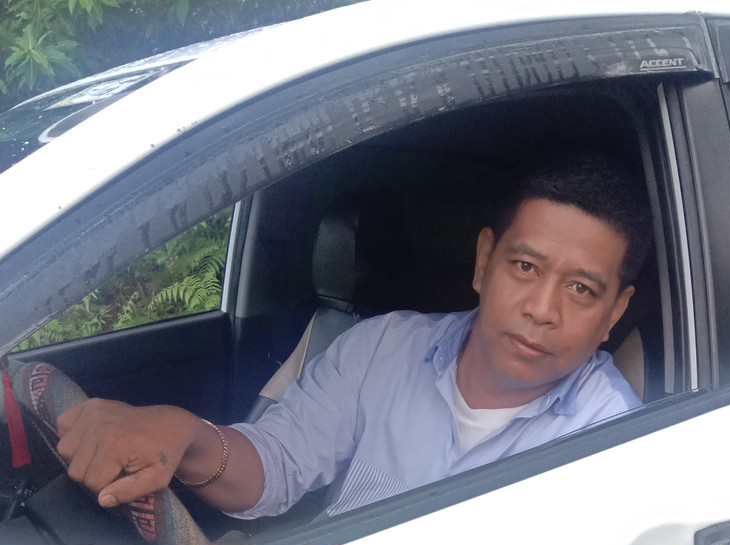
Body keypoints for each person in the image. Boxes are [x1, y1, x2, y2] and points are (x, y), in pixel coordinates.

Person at [56, 153, 651, 519]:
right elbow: (278, 465)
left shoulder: (620, 442)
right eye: (525, 267)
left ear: (613, 313)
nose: (542, 309)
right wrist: (185, 433)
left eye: (581, 289)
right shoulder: (382, 348)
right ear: (483, 263)